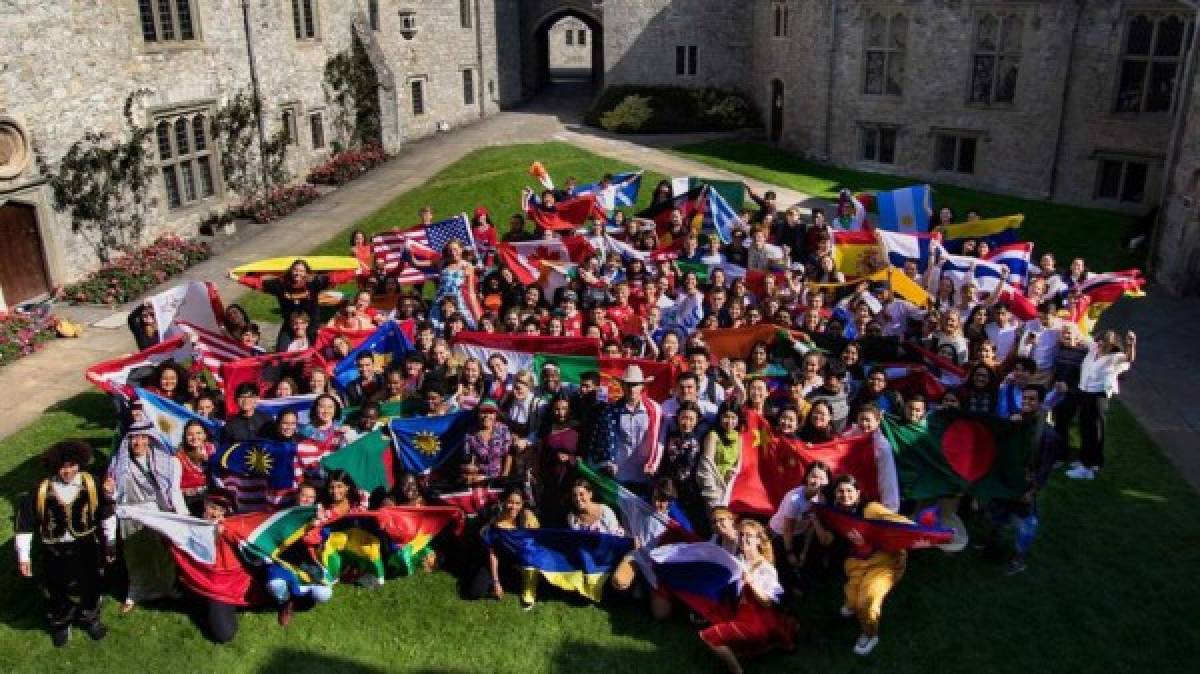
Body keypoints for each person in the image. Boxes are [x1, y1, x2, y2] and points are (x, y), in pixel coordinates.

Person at [15, 441, 116, 647]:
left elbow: (106, 513)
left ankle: (90, 617)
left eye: (72, 465)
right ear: (54, 467)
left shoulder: (91, 484)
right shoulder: (41, 490)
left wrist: (110, 542)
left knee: (91, 584)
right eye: (63, 467)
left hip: (86, 545)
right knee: (55, 588)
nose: (68, 471)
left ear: (79, 463)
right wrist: (24, 556)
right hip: (53, 550)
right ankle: (61, 622)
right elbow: (24, 525)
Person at [814, 474, 913, 656]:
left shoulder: (871, 509)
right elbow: (827, 541)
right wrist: (815, 519)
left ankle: (870, 634)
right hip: (857, 564)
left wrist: (922, 532)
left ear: (858, 493)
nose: (845, 495)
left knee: (867, 601)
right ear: (835, 494)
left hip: (883, 562)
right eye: (840, 491)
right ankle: (853, 606)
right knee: (852, 600)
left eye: (849, 490)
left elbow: (901, 523)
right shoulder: (836, 515)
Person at [105, 424, 188, 613]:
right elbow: (115, 496)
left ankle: (169, 587)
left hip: (158, 511)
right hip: (131, 513)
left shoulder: (165, 462)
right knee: (135, 554)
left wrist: (182, 516)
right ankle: (135, 592)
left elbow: (173, 491)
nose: (138, 442)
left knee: (164, 553)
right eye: (134, 438)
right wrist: (109, 491)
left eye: (143, 437)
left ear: (150, 438)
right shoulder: (118, 464)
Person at [700, 519, 795, 673]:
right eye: (742, 535)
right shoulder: (739, 560)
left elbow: (767, 602)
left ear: (758, 540)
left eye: (749, 535)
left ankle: (737, 671)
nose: (744, 539)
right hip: (741, 613)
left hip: (755, 621)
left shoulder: (766, 569)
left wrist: (751, 582)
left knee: (709, 637)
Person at [233, 259, 357, 352]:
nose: (298, 273)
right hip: (290, 324)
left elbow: (334, 278)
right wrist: (237, 278)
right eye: (295, 270)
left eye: (301, 271)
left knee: (316, 350)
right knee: (281, 351)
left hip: (311, 324)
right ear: (291, 271)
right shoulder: (281, 284)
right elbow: (258, 283)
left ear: (306, 272)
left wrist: (355, 272)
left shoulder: (314, 282)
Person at [1066, 330, 1136, 480]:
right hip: (1085, 392)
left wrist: (1131, 344)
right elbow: (1080, 337)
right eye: (1100, 341)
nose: (1101, 344)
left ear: (1112, 346)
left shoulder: (1115, 358)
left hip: (1098, 396)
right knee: (1084, 426)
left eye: (1105, 343)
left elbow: (1129, 358)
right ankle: (1086, 459)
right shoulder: (1093, 349)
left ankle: (1089, 466)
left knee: (1095, 430)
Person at [769, 460, 831, 596]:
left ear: (827, 481)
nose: (817, 481)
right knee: (784, 563)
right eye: (814, 476)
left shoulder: (822, 500)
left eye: (822, 478)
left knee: (807, 558)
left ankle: (805, 582)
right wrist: (790, 552)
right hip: (779, 533)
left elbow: (811, 527)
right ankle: (788, 588)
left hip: (800, 533)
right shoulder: (795, 499)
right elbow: (787, 530)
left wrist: (804, 550)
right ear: (807, 477)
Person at [473, 487, 540, 610]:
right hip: (497, 561)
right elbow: (493, 555)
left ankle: (511, 580)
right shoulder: (496, 523)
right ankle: (500, 581)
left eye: (517, 503)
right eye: (510, 502)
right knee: (476, 592)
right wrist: (496, 581)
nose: (513, 507)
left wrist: (529, 515)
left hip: (517, 563)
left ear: (522, 504)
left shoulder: (525, 518)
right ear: (504, 502)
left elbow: (534, 543)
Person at [593, 365, 656, 491]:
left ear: (642, 386)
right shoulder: (610, 412)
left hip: (645, 476)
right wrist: (607, 462)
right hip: (619, 476)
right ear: (622, 386)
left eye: (635, 385)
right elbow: (601, 441)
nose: (631, 389)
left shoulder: (654, 411)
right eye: (628, 385)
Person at [538, 395, 580, 527]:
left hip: (570, 480)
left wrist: (569, 458)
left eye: (564, 409)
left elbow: (583, 456)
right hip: (550, 481)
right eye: (557, 409)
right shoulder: (546, 429)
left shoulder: (577, 429)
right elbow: (541, 454)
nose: (561, 412)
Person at [696, 404, 742, 511]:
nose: (729, 421)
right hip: (714, 488)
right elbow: (706, 466)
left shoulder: (739, 437)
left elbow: (739, 463)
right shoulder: (713, 435)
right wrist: (713, 495)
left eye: (733, 417)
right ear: (720, 417)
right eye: (726, 417)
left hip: (731, 489)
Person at [462, 400, 513, 486]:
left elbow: (508, 454)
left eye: (490, 412)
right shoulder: (470, 435)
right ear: (478, 414)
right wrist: (472, 472)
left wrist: (504, 476)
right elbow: (469, 459)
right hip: (479, 478)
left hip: (499, 478)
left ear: (496, 414)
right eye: (483, 412)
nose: (486, 416)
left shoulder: (503, 429)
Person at [177, 419, 215, 515]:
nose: (194, 437)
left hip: (211, 498)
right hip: (190, 501)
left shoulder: (211, 449)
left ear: (205, 435)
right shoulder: (179, 457)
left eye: (198, 433)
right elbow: (174, 488)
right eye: (190, 434)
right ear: (185, 437)